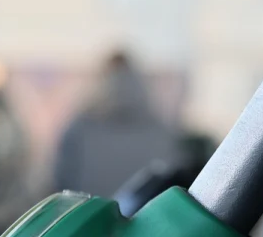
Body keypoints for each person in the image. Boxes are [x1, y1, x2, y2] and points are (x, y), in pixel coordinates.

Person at [51, 50, 184, 198]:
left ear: (102, 78)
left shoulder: (80, 128)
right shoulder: (161, 130)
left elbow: (60, 183)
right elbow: (171, 183)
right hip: (144, 217)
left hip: (93, 216)